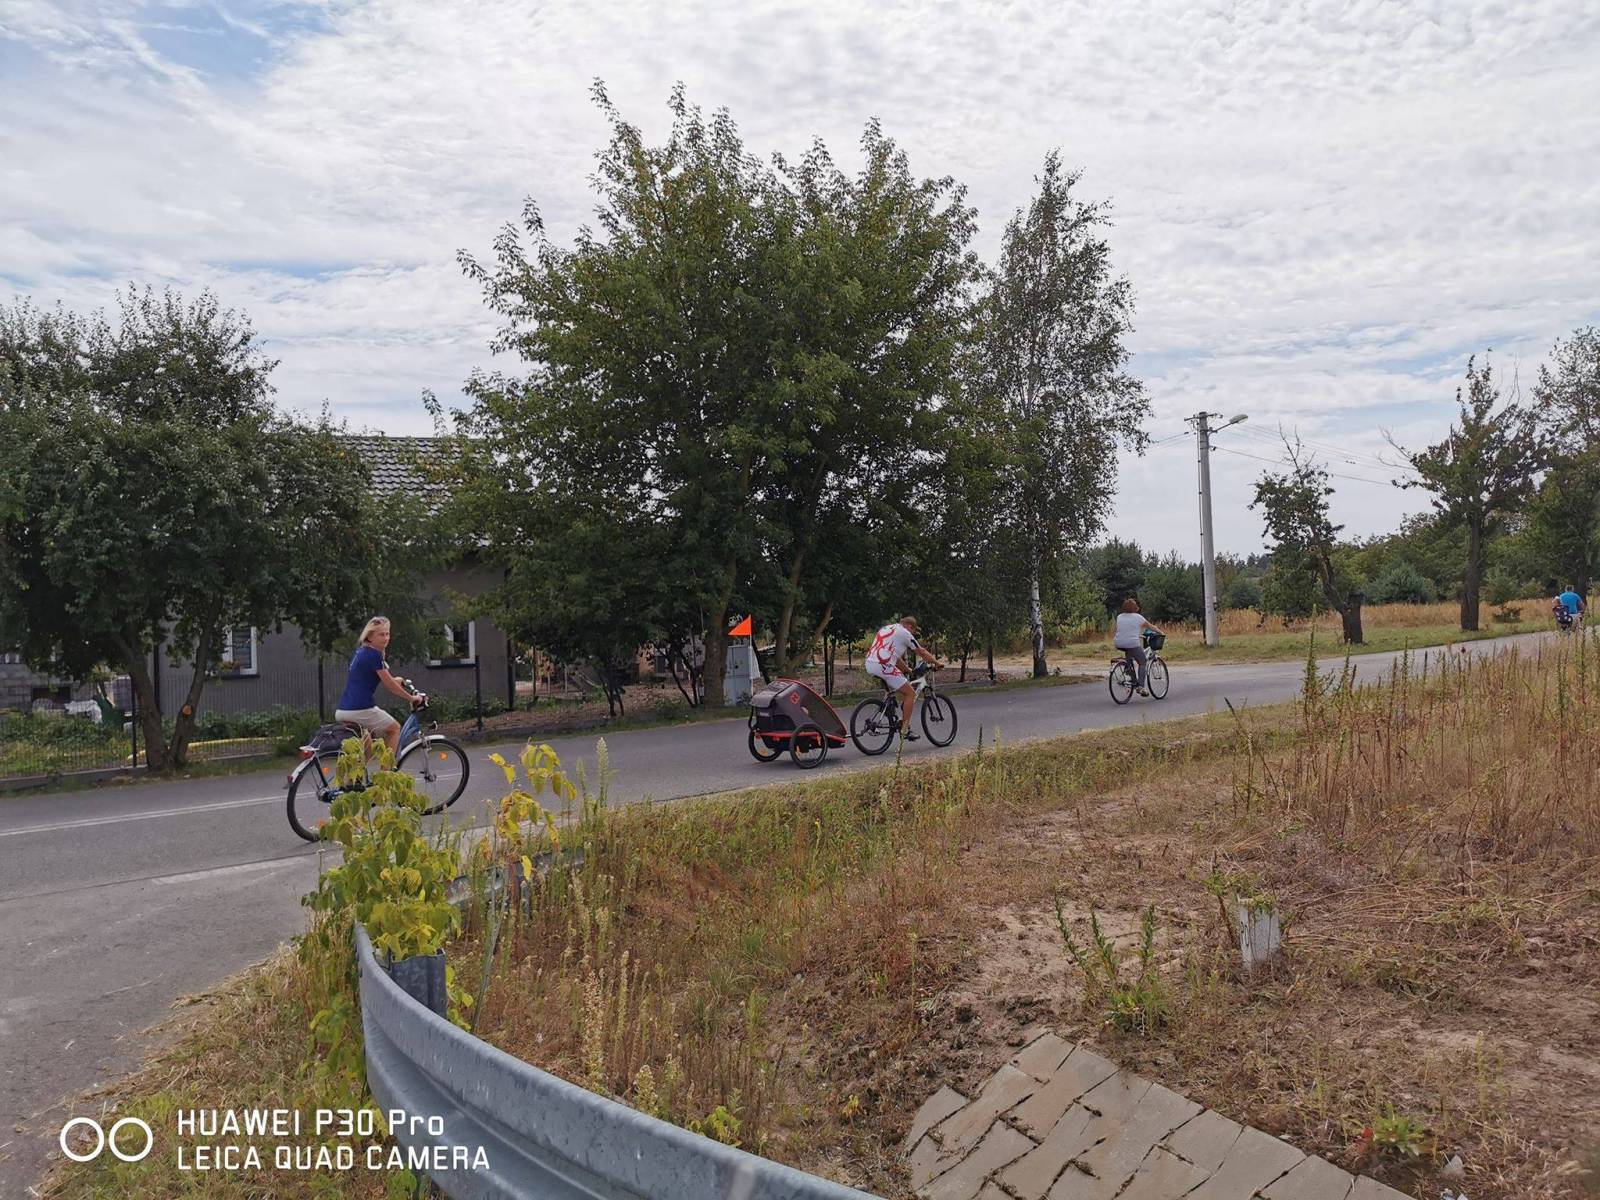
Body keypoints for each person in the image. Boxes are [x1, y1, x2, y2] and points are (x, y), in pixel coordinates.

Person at [335, 616, 425, 756]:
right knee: (394, 729)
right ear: (370, 636)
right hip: (361, 709)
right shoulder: (373, 655)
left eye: (387, 634)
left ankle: (356, 772)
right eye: (381, 634)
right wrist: (411, 698)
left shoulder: (362, 652)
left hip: (344, 710)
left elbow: (386, 679)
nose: (386, 638)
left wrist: (399, 681)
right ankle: (387, 770)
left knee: (367, 750)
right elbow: (390, 686)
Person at [864, 615, 944, 741]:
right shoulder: (904, 633)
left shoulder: (887, 628)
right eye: (913, 631)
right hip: (884, 666)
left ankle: (888, 711)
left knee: (892, 690)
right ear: (910, 626)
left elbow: (895, 658)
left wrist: (907, 670)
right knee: (910, 694)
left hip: (870, 664)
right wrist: (937, 663)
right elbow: (922, 652)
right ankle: (905, 730)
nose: (912, 633)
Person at [1113, 598, 1165, 697]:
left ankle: (1130, 675)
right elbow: (1151, 627)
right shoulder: (1138, 617)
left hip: (1118, 642)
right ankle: (1140, 687)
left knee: (1129, 659)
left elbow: (1122, 629)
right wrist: (1161, 632)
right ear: (1135, 608)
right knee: (1142, 662)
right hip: (1132, 643)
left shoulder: (1119, 617)